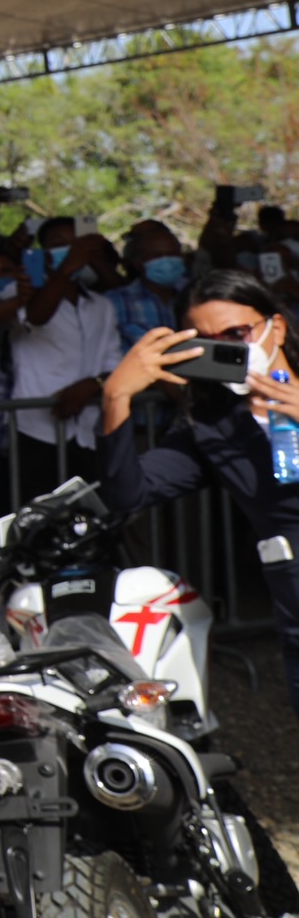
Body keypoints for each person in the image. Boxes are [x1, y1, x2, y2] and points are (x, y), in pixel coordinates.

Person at [102, 267, 299, 728]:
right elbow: (128, 494)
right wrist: (115, 397)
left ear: (276, 327)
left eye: (236, 333)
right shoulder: (212, 427)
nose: (227, 349)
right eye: (206, 343)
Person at [3, 219, 123, 496]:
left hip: (87, 430)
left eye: (77, 245)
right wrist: (66, 268)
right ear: (42, 252)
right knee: (39, 511)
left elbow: (113, 363)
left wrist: (92, 385)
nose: (71, 251)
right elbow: (37, 317)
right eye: (60, 245)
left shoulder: (101, 305)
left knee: (89, 510)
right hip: (36, 430)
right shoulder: (21, 293)